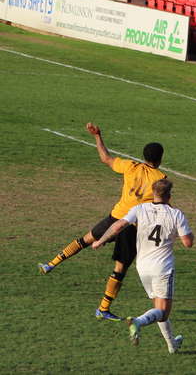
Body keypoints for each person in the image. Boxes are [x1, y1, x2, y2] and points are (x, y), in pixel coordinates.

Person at [38, 122, 167, 321]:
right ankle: (103, 309)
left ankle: (51, 264)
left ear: (144, 156)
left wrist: (97, 136)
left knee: (85, 239)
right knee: (120, 268)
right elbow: (161, 204)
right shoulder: (160, 177)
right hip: (131, 225)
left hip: (115, 215)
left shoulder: (130, 166)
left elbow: (105, 158)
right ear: (160, 159)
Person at [93, 179, 193, 353]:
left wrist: (100, 240)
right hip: (162, 268)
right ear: (169, 195)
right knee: (163, 312)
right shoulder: (176, 214)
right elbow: (188, 243)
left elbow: (118, 225)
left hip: (142, 267)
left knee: (158, 308)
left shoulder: (139, 209)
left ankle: (172, 345)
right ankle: (138, 322)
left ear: (153, 193)